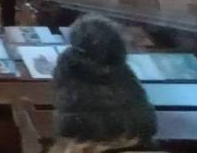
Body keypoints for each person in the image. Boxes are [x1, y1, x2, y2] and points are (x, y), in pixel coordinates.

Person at [52, 15, 156, 151]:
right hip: (134, 139)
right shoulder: (123, 69)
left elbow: (71, 123)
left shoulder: (70, 64)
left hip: (92, 140)